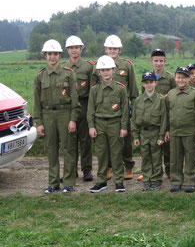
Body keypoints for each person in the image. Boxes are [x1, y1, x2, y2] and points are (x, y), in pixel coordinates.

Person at [34, 39, 80, 193]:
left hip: (65, 114)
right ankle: (53, 183)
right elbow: (36, 102)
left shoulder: (68, 74)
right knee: (51, 149)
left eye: (55, 54)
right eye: (49, 54)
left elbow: (75, 99)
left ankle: (68, 182)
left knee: (68, 148)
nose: (52, 57)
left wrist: (73, 119)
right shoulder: (39, 76)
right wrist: (38, 122)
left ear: (60, 55)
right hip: (47, 115)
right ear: (45, 56)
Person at [92, 35, 138, 180]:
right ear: (105, 49)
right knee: (106, 142)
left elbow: (134, 89)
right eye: (110, 48)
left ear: (120, 49)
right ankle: (109, 167)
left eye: (115, 49)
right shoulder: (98, 65)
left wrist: (133, 108)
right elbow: (94, 87)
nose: (112, 51)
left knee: (125, 139)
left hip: (122, 109)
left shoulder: (126, 65)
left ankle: (128, 165)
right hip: (104, 109)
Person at [87, 55, 129, 193]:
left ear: (113, 70)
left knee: (116, 153)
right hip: (99, 124)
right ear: (99, 72)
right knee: (101, 153)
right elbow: (90, 109)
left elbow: (124, 110)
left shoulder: (121, 89)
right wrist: (91, 126)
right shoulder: (94, 89)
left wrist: (123, 127)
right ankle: (101, 181)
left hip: (115, 124)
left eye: (108, 69)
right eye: (102, 70)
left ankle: (118, 181)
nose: (105, 72)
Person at [137, 49, 176, 181]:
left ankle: (169, 169)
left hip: (166, 116)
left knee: (167, 146)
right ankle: (149, 171)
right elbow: (143, 97)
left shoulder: (170, 78)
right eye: (156, 60)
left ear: (165, 61)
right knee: (150, 150)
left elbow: (174, 97)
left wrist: (169, 126)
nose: (158, 63)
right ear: (151, 61)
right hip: (152, 117)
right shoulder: (147, 78)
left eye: (161, 61)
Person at [165, 66, 195, 193]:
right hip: (175, 131)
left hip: (190, 132)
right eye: (178, 77)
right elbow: (167, 113)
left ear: (188, 78)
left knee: (191, 157)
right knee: (175, 158)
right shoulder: (171, 94)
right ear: (175, 78)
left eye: (183, 77)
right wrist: (167, 130)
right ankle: (176, 182)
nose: (181, 80)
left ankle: (191, 182)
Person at [62, 35, 95, 182]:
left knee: (85, 140)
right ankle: (71, 170)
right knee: (69, 141)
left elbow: (93, 89)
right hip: (68, 107)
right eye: (71, 48)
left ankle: (86, 170)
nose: (74, 50)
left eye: (76, 47)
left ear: (81, 49)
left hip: (85, 105)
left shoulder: (89, 67)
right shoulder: (63, 67)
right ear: (67, 50)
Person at [131, 72, 168, 191]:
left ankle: (156, 179)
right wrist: (135, 136)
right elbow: (134, 119)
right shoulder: (138, 100)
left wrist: (161, 136)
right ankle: (147, 179)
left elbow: (164, 120)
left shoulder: (161, 100)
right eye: (146, 83)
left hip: (156, 132)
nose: (149, 85)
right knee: (145, 157)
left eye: (151, 82)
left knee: (156, 157)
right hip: (143, 133)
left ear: (156, 83)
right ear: (142, 84)